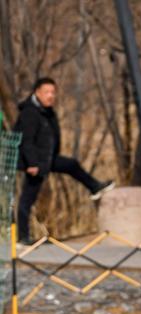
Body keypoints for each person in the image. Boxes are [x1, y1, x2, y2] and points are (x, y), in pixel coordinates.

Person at [14, 77, 115, 244]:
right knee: (28, 197)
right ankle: (22, 238)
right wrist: (31, 164)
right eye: (47, 92)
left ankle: (94, 187)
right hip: (35, 162)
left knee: (71, 164)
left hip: (47, 158)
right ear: (37, 92)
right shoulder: (29, 113)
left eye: (53, 92)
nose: (51, 96)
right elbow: (27, 141)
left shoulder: (47, 111)